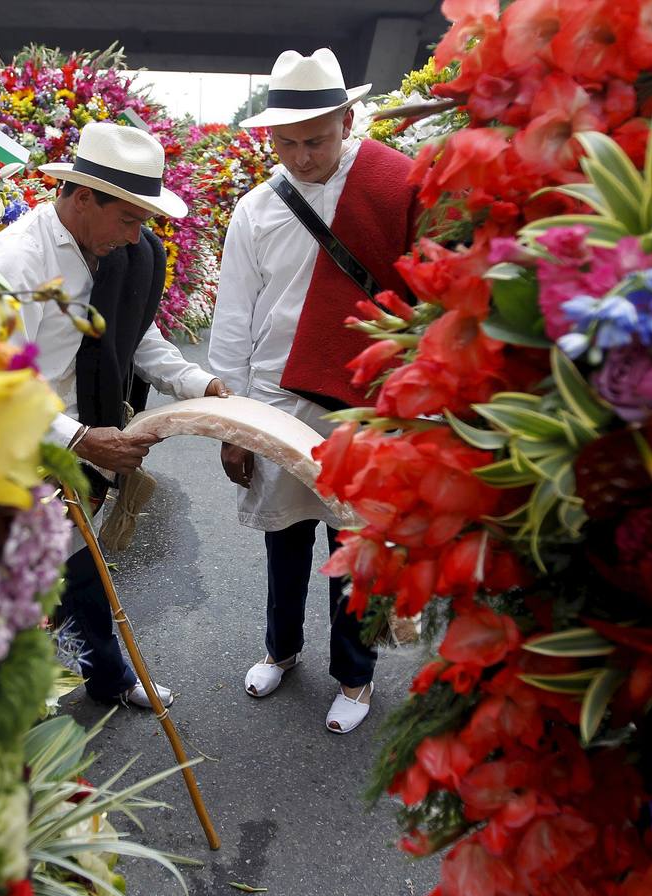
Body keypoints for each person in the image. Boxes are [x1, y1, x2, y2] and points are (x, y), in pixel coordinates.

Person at [208, 48, 420, 733]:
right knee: (286, 531)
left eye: (317, 140)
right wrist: (232, 424)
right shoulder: (256, 208)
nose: (301, 157)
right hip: (277, 394)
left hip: (366, 397)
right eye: (287, 143)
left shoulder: (394, 186)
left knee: (354, 541)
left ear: (348, 120)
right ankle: (281, 647)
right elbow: (234, 317)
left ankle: (355, 679)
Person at [0, 121, 229, 708]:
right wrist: (79, 438)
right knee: (13, 584)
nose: (136, 235)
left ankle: (106, 678)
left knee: (80, 563)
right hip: (12, 448)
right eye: (129, 218)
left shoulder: (116, 250)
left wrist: (200, 384)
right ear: (84, 196)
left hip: (70, 441)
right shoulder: (16, 264)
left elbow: (134, 341)